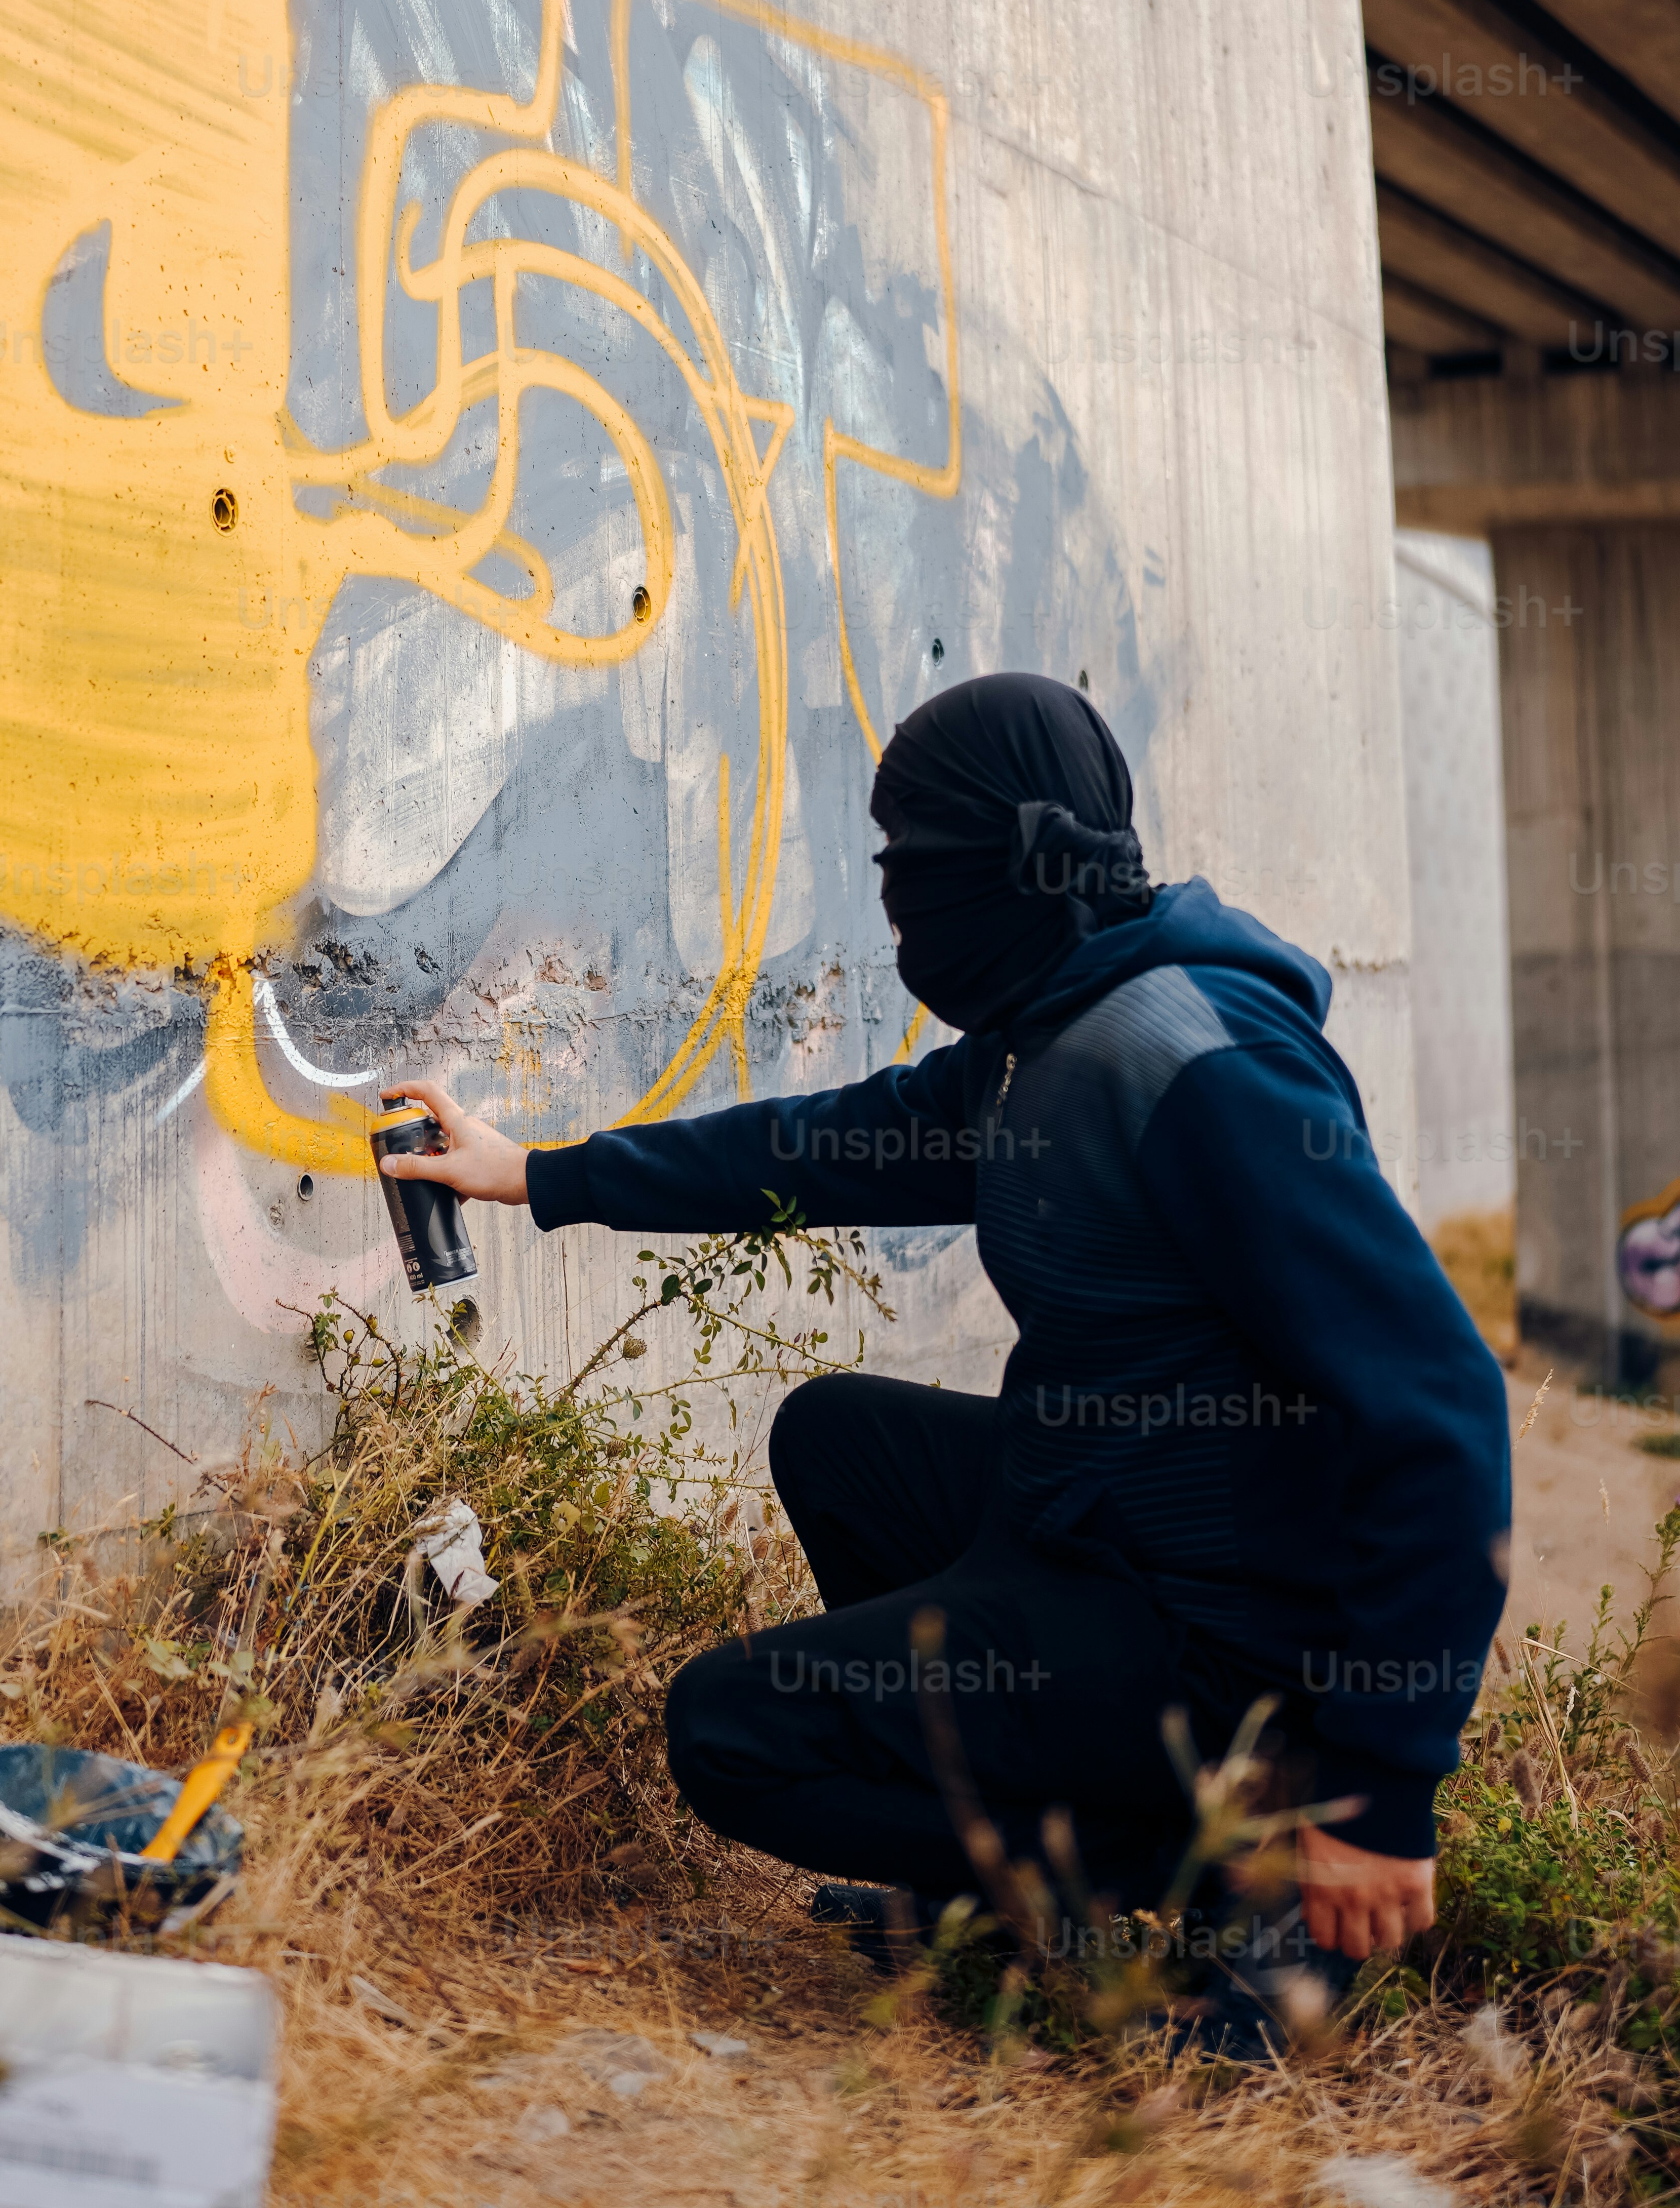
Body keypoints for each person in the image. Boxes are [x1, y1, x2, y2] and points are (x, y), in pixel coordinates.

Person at [387, 672, 1511, 2016]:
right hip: (1110, 1532)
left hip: (1225, 1639)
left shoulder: (1194, 1062)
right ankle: (1019, 1859)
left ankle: (1214, 1883)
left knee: (730, 1733)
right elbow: (821, 1148)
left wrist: (1384, 1793)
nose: (893, 893)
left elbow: (1442, 1409)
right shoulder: (1050, 1032)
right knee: (840, 1437)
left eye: (908, 856)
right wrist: (545, 1176)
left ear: (1009, 858)